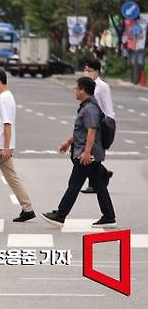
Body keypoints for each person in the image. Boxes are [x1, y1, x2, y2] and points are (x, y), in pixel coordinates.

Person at [41, 77, 116, 228]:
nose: (75, 91)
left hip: (88, 155)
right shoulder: (88, 106)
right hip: (91, 154)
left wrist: (87, 153)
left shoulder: (90, 109)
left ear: (82, 90)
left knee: (74, 184)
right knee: (99, 185)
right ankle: (109, 216)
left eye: (76, 88)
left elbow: (91, 131)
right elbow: (82, 131)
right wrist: (68, 142)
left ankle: (60, 215)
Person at [0, 68, 35, 223]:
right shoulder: (6, 97)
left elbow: (7, 124)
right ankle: (27, 208)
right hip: (2, 145)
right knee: (12, 177)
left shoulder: (4, 98)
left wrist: (6, 147)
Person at [81, 58, 115, 194]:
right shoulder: (87, 85)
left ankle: (94, 183)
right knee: (87, 153)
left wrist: (108, 124)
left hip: (100, 123)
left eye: (89, 70)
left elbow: (108, 107)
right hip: (89, 121)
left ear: (96, 72)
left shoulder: (102, 86)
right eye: (85, 70)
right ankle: (102, 175)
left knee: (93, 152)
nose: (87, 72)